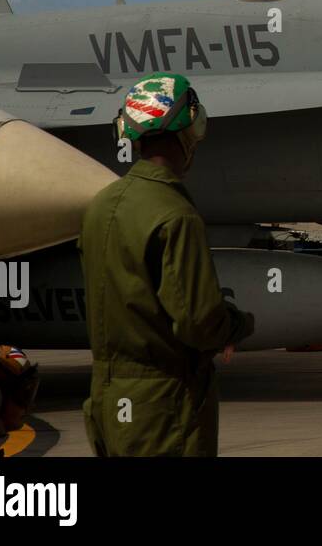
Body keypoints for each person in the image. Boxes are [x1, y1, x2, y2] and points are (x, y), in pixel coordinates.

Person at [79, 72, 254, 456]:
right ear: (185, 131)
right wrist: (236, 324)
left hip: (107, 400)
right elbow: (198, 322)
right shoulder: (175, 215)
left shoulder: (101, 205)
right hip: (164, 410)